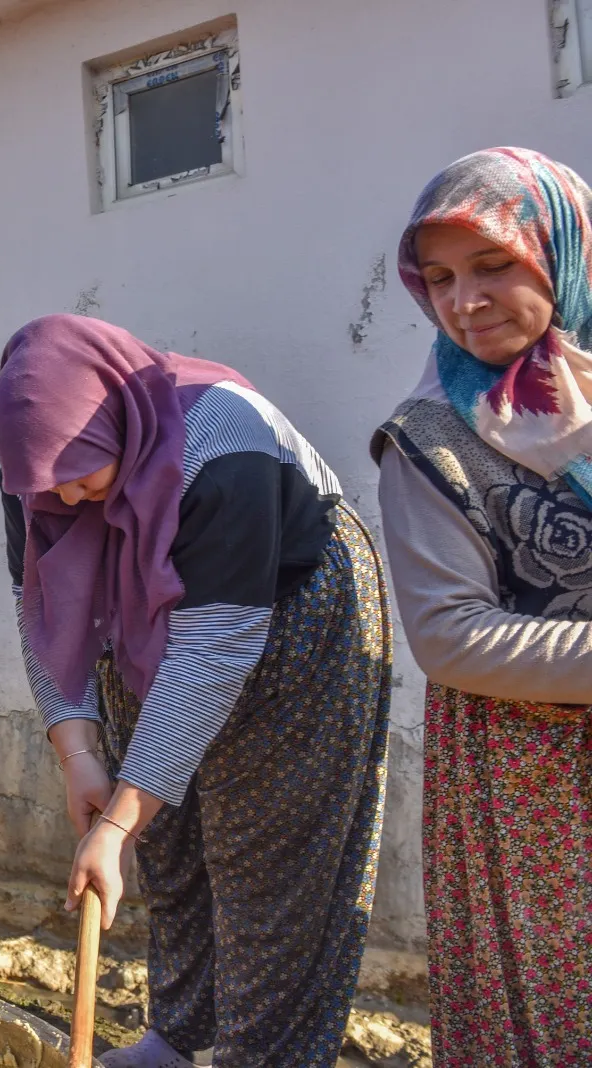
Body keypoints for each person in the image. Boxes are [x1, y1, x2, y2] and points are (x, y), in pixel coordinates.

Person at [0, 315, 391, 1068]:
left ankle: (265, 1055)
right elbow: (40, 611)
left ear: (117, 418)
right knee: (171, 847)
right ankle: (178, 1039)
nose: (70, 497)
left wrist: (114, 829)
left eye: (83, 472)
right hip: (141, 614)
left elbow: (211, 651)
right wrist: (77, 750)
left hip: (289, 611)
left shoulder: (222, 439)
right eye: (49, 486)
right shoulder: (36, 474)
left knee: (266, 863)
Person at [372, 147, 592, 1065]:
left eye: (495, 264)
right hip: (534, 782)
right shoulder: (429, 441)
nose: (465, 301)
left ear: (562, 253)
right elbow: (450, 637)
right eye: (441, 279)